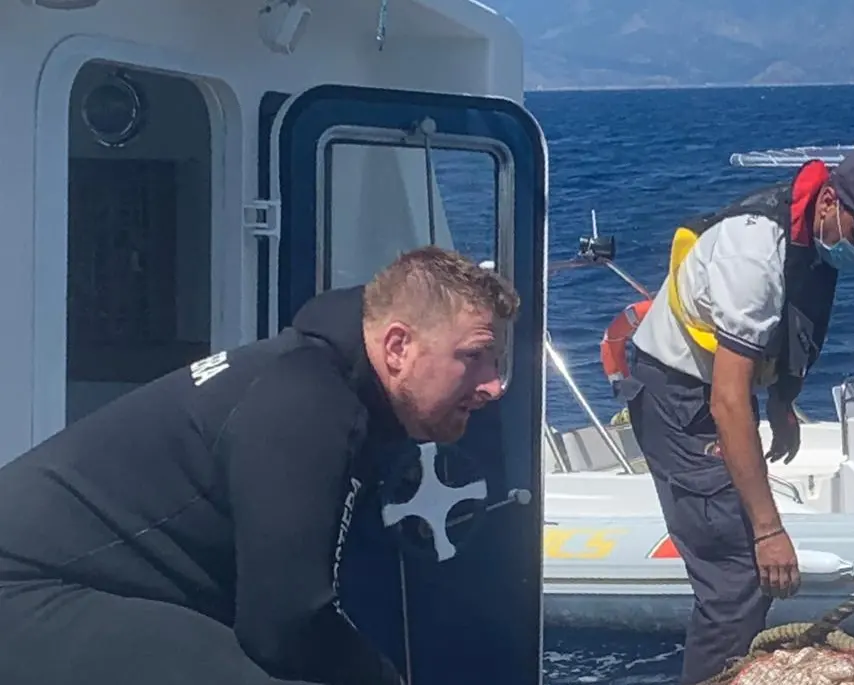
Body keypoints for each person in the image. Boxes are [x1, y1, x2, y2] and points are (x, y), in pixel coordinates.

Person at [0, 246, 520, 685]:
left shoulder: (332, 391)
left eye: (496, 362)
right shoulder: (305, 404)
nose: (494, 385)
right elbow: (286, 624)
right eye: (475, 356)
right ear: (398, 346)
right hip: (26, 587)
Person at [625, 150, 854, 685]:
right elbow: (728, 402)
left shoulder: (816, 238)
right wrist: (768, 530)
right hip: (677, 395)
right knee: (736, 576)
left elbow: (792, 321)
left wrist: (783, 402)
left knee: (743, 574)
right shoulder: (755, 253)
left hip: (719, 385)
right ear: (829, 202)